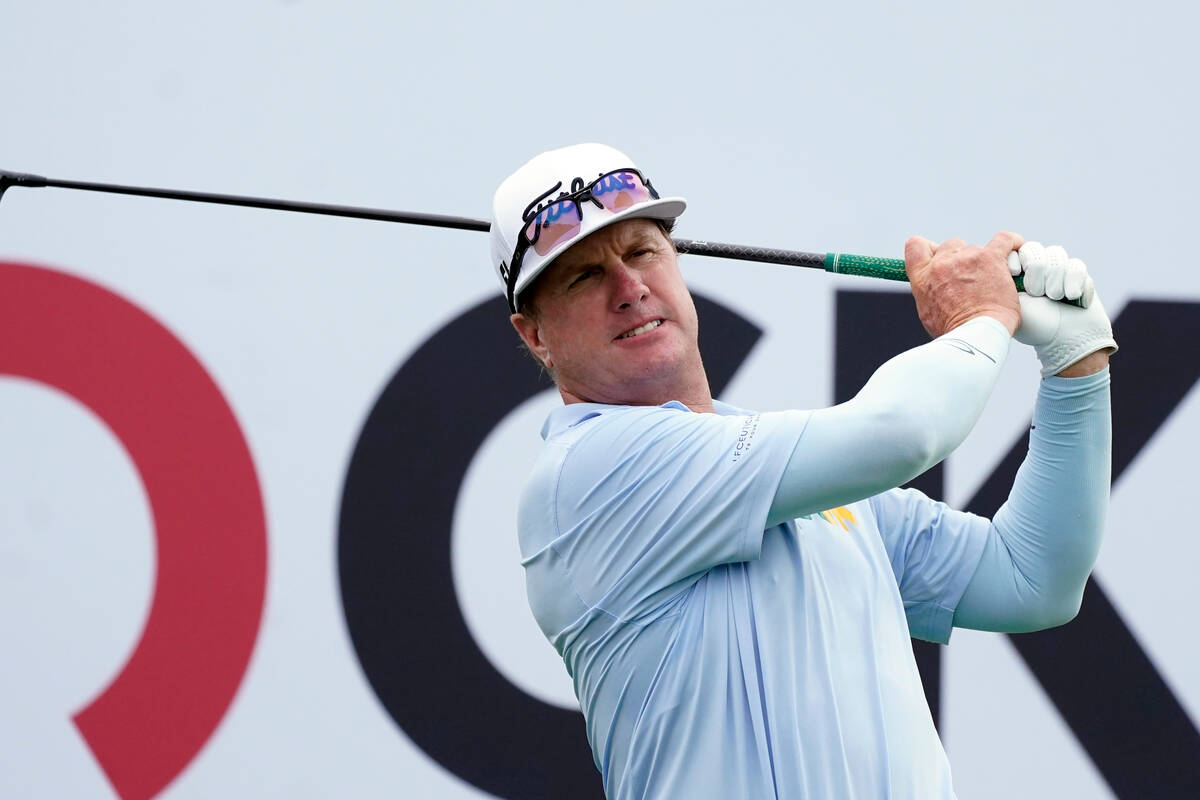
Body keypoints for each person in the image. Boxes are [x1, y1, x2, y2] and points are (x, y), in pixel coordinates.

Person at [489, 143, 1116, 799]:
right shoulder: (588, 472)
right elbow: (905, 431)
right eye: (583, 276)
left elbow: (1031, 579)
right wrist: (982, 315)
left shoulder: (802, 486)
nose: (629, 287)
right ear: (534, 335)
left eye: (642, 251)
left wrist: (1076, 365)